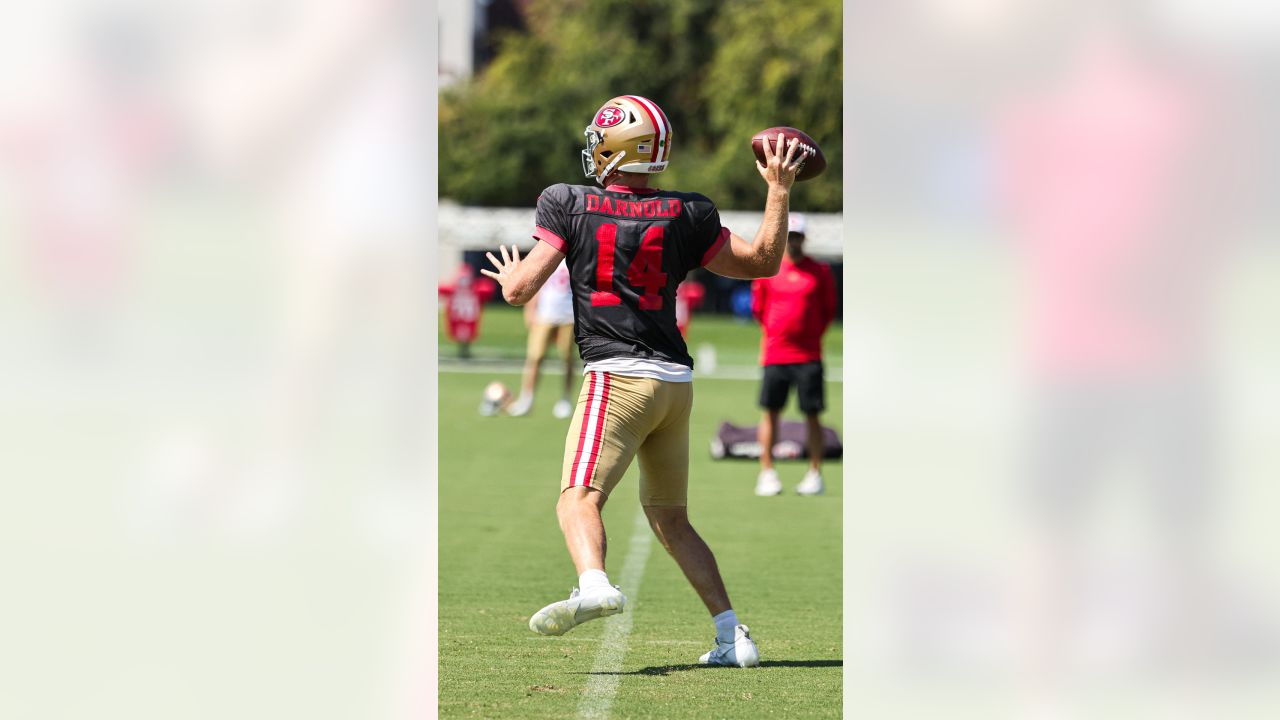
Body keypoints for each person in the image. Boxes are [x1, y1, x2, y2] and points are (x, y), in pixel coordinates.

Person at [481, 94, 808, 668]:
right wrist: (778, 191)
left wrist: (512, 275)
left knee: (577, 499)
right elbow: (762, 261)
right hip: (674, 385)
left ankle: (593, 583)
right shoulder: (687, 212)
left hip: (617, 378)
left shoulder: (569, 202)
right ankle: (733, 636)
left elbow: (519, 291)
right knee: (670, 517)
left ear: (614, 146)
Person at [751, 213, 837, 496]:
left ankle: (815, 473)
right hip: (776, 354)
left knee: (812, 415)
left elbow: (828, 311)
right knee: (771, 413)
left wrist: (809, 336)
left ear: (804, 239)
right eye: (790, 236)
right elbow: (759, 310)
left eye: (798, 237)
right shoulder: (769, 269)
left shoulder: (820, 271)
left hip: (809, 356)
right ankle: (767, 472)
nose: (794, 242)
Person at [507, 259, 576, 418]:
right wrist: (530, 309)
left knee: (566, 357)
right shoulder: (549, 254)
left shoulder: (575, 254)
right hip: (545, 314)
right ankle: (527, 399)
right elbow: (535, 283)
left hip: (569, 315)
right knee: (535, 357)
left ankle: (565, 399)